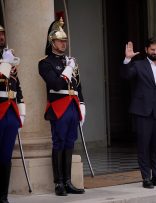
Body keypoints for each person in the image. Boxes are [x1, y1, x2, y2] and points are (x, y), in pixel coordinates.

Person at [38, 17, 85, 196]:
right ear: (52, 42)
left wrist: (82, 105)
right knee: (58, 142)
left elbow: (79, 86)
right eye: (60, 40)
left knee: (70, 142)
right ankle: (58, 183)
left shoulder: (70, 61)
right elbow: (55, 84)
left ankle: (67, 181)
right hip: (58, 106)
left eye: (65, 41)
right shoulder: (45, 63)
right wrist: (67, 69)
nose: (63, 44)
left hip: (72, 106)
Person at [121, 38, 156, 189]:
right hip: (142, 112)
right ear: (146, 50)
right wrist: (127, 59)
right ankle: (146, 178)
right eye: (153, 50)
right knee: (144, 146)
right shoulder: (138, 65)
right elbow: (126, 76)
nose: (155, 52)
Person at [0, 25, 25, 203]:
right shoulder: (7, 61)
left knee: (6, 155)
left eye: (3, 34)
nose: (1, 37)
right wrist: (6, 65)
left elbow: (18, 86)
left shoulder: (8, 57)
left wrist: (21, 110)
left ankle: (3, 196)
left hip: (10, 110)